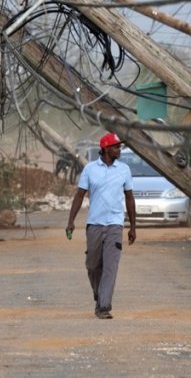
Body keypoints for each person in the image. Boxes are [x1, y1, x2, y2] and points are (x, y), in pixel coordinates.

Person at [66, 132, 136, 319]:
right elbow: (79, 195)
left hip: (115, 224)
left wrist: (133, 227)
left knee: (110, 266)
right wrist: (71, 221)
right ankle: (99, 294)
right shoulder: (90, 169)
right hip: (94, 224)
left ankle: (104, 307)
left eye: (119, 146)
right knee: (92, 265)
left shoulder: (124, 170)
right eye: (116, 147)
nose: (119, 149)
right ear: (105, 148)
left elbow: (129, 198)